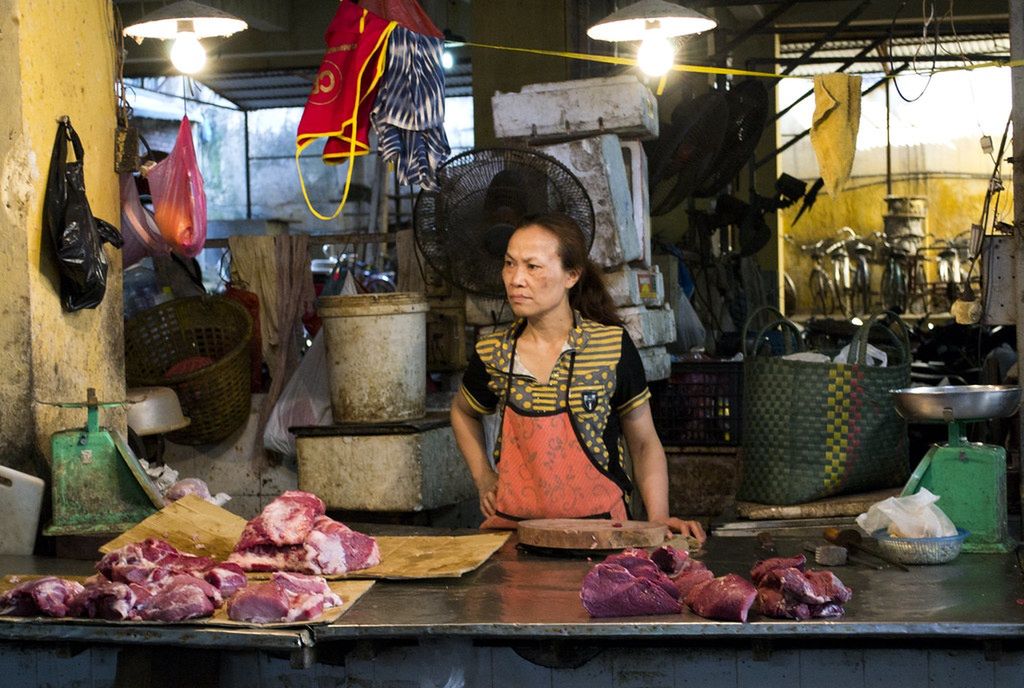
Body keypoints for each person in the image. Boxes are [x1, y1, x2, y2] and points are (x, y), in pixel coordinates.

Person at [450, 213, 707, 543]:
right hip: (516, 537)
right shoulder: (494, 352)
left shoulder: (611, 346)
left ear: (571, 275)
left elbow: (643, 443)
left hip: (603, 535)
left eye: (533, 266)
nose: (515, 279)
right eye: (509, 264)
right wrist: (483, 476)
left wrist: (657, 518)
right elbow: (462, 412)